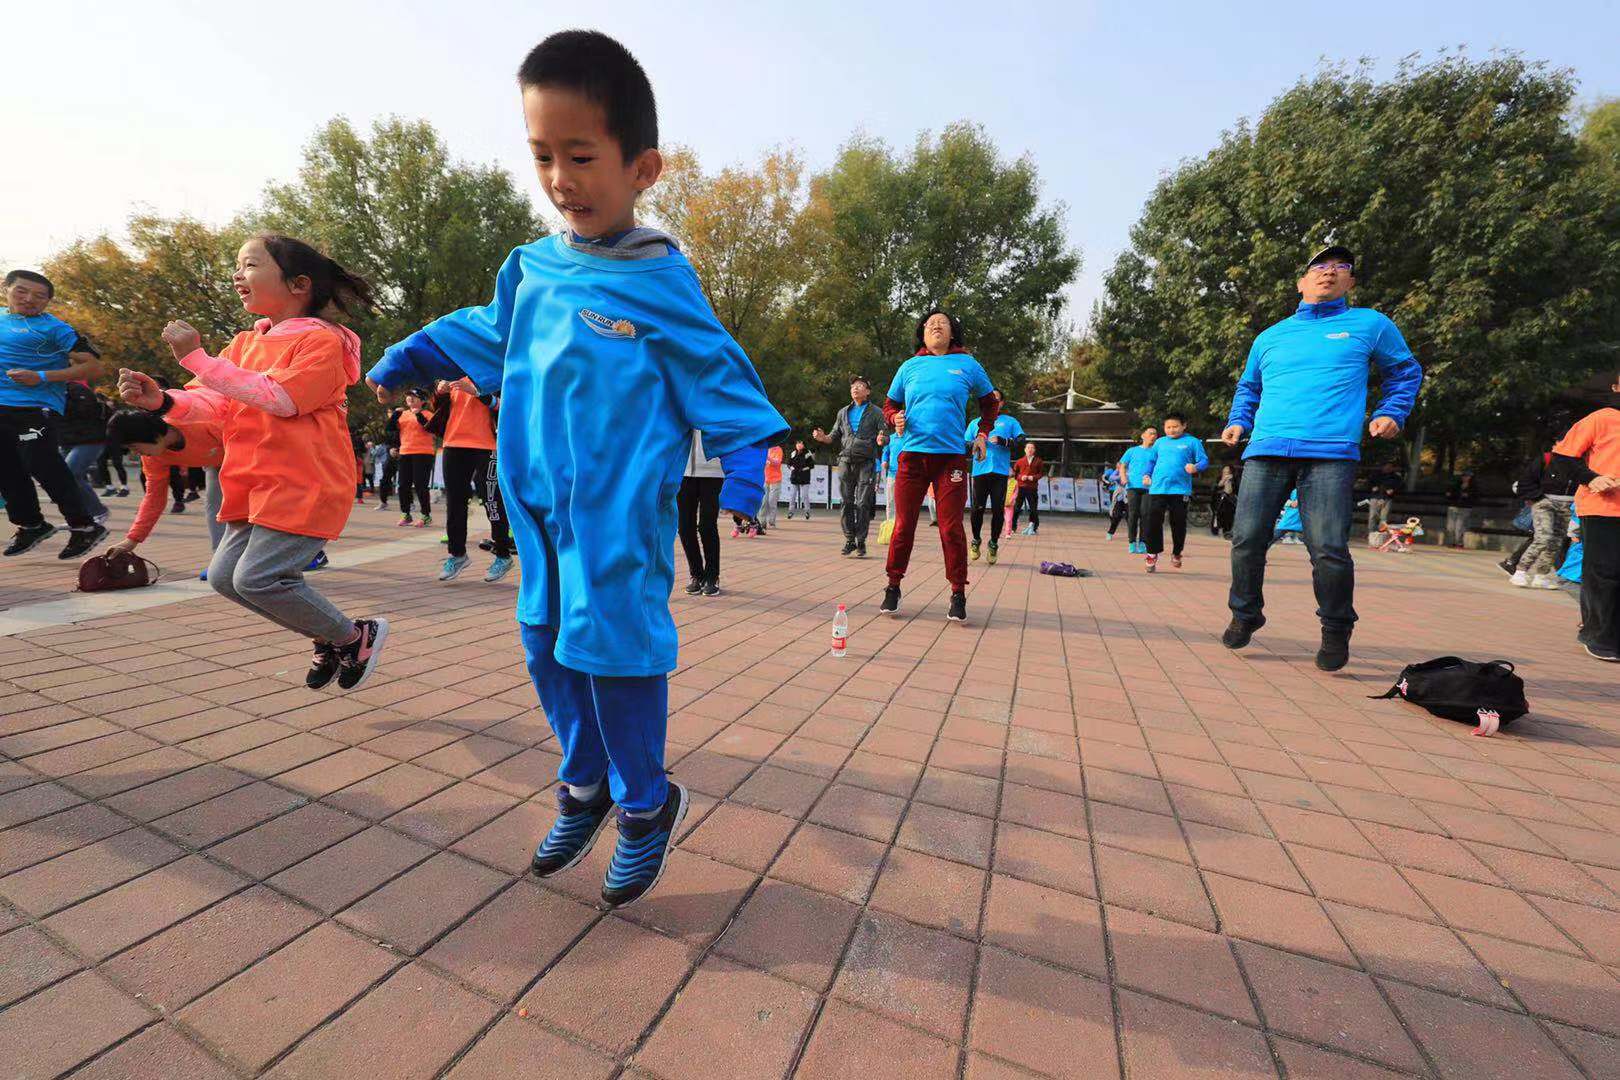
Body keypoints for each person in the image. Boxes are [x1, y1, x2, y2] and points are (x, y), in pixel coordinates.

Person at [365, 31, 788, 908]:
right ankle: (584, 785)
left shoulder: (663, 284)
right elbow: (491, 330)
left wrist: (744, 475)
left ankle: (645, 805)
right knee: (543, 641)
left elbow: (725, 379)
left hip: (621, 514)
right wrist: (415, 352)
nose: (561, 178)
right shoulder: (533, 267)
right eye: (542, 155)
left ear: (643, 167)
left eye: (582, 156)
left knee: (614, 651)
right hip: (534, 507)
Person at [117, 233, 388, 690]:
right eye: (238, 266)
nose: (237, 275)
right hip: (252, 481)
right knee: (225, 578)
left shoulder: (324, 342)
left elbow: (280, 398)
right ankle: (330, 636)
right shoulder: (245, 344)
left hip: (305, 479)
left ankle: (354, 635)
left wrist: (196, 358)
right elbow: (215, 401)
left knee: (258, 577)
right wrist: (163, 401)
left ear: (299, 284)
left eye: (250, 265)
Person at [1220, 243, 1422, 670]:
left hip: (1331, 453)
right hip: (1267, 449)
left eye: (1340, 267)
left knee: (1328, 547)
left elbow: (1404, 372)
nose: (1328, 272)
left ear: (1349, 281)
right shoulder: (1270, 336)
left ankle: (1335, 628)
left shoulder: (1370, 324)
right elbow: (1248, 387)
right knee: (1247, 539)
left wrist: (1391, 412)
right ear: (1301, 282)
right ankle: (1245, 613)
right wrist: (1239, 420)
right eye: (1318, 267)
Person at [880, 308, 997, 622]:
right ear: (922, 333)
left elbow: (990, 402)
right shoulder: (909, 366)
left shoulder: (967, 364)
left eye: (942, 323)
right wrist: (895, 418)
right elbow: (889, 405)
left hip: (951, 459)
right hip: (913, 457)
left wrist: (983, 434)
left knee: (950, 528)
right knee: (904, 526)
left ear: (952, 333)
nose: (935, 325)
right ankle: (893, 586)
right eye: (930, 323)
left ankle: (958, 592)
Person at [1, 269, 110, 558]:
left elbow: (94, 367)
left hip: (35, 408)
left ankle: (85, 525)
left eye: (40, 296)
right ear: (6, 289)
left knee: (44, 465)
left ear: (48, 302)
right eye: (22, 291)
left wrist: (43, 376)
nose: (29, 300)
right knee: (6, 468)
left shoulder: (55, 328)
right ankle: (31, 524)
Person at [1549, 375, 1620, 661]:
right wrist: (1592, 479)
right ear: (1616, 388)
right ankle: (1599, 635)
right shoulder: (1601, 418)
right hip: (1602, 507)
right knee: (1606, 573)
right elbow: (1563, 458)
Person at [103, 409, 226, 565]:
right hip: (216, 464)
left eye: (133, 446)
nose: (134, 452)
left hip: (251, 456)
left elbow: (248, 440)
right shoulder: (153, 457)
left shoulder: (201, 422)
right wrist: (131, 540)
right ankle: (221, 562)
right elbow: (154, 498)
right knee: (215, 506)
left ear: (148, 434)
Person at [430, 377, 511, 581]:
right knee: (455, 502)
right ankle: (457, 555)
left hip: (486, 445)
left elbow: (505, 406)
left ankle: (503, 554)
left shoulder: (492, 368)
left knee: (492, 500)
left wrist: (476, 391)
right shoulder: (452, 370)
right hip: (453, 443)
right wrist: (440, 391)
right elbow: (438, 407)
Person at [812, 376, 884, 557]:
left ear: (867, 391)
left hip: (866, 462)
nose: (856, 388)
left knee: (862, 503)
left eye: (860, 386)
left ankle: (861, 541)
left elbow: (885, 435)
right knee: (846, 501)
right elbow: (833, 435)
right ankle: (849, 539)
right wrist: (823, 438)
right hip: (845, 460)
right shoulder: (843, 412)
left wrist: (882, 439)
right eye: (853, 386)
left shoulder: (876, 412)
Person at [1141, 412, 1207, 572]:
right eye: (1168, 427)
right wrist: (1147, 474)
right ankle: (1152, 553)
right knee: (1153, 521)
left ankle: (1177, 552)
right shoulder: (1160, 443)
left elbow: (1204, 461)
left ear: (1184, 426)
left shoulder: (1192, 442)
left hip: (1180, 489)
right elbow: (1152, 461)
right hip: (1158, 488)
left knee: (1178, 523)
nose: (1171, 430)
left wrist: (1195, 467)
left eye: (1175, 426)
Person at [965, 389, 1022, 564]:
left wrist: (1005, 441)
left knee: (998, 510)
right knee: (977, 509)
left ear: (1002, 403)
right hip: (980, 472)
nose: (992, 403)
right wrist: (975, 442)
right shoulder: (975, 423)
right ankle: (975, 540)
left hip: (999, 473)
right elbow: (964, 444)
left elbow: (1022, 441)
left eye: (996, 400)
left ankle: (994, 543)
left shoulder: (1010, 422)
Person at [1511, 450, 1573, 590]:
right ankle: (1521, 570)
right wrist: (1536, 497)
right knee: (1543, 537)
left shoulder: (1583, 461)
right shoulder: (1547, 459)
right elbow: (1526, 480)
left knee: (1556, 541)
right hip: (1545, 502)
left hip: (1568, 504)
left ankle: (1541, 575)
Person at [59, 382, 112, 523]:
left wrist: (57, 403)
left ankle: (98, 511)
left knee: (71, 474)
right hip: (65, 440)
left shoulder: (75, 389)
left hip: (89, 439)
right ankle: (83, 516)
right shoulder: (44, 391)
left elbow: (86, 410)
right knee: (70, 480)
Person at [679, 432, 725, 596]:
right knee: (684, 527)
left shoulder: (718, 405)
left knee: (707, 525)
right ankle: (696, 575)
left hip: (713, 470)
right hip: (682, 470)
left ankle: (712, 576)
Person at [395, 388, 435, 527]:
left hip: (423, 453)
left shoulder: (428, 414)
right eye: (408, 396)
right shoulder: (402, 414)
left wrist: (419, 415)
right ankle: (406, 514)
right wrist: (395, 415)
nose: (410, 398)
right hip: (405, 452)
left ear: (423, 400)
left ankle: (426, 515)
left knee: (420, 486)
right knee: (403, 485)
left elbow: (430, 428)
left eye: (414, 396)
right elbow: (391, 430)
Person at [1117, 428, 1157, 554]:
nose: (1153, 436)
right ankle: (1132, 542)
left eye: (1155, 434)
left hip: (1149, 488)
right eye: (1151, 433)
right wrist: (1123, 477)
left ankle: (1143, 542)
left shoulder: (1157, 452)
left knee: (1146, 514)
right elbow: (1122, 464)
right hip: (1133, 486)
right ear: (1143, 436)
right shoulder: (1132, 451)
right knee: (1133, 514)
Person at [1366, 461, 1402, 533]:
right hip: (1375, 497)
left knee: (1384, 518)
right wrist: (1372, 488)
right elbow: (1368, 484)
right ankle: (1371, 533)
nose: (1388, 468)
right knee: (1373, 516)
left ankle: (1381, 533)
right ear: (1383, 467)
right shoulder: (1376, 475)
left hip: (1387, 498)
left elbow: (1400, 487)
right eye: (1387, 466)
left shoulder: (1396, 477)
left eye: (1390, 467)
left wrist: (1393, 490)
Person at [1444, 472, 1476, 549]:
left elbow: (1476, 497)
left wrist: (1468, 496)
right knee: (1450, 526)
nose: (1465, 478)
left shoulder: (1473, 486)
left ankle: (1459, 543)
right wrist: (1449, 495)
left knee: (1459, 526)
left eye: (1467, 476)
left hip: (1465, 507)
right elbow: (1449, 494)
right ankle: (1451, 542)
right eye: (1464, 476)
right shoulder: (1456, 485)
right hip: (1453, 506)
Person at [785, 440, 814, 519]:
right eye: (797, 443)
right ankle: (790, 512)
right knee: (792, 495)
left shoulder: (807, 453)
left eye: (800, 443)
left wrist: (804, 469)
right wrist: (791, 468)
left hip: (805, 478)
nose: (799, 445)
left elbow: (811, 465)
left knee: (805, 496)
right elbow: (788, 463)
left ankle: (807, 511)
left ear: (803, 445)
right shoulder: (793, 453)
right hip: (795, 477)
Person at [758, 443, 783, 527]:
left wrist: (768, 458)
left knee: (771, 501)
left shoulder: (778, 449)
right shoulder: (765, 449)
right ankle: (762, 522)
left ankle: (772, 521)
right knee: (763, 501)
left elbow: (777, 462)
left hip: (775, 480)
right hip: (765, 479)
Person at [1211, 464, 1237, 538]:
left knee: (1228, 514)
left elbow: (1231, 491)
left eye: (1227, 472)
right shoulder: (1219, 478)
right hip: (1218, 501)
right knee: (1218, 512)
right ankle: (1216, 530)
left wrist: (1229, 482)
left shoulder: (1234, 480)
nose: (1225, 473)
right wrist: (1222, 481)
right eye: (1224, 471)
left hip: (1229, 502)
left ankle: (1226, 531)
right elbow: (1215, 488)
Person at [1104, 466, 1129, 539]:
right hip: (1119, 498)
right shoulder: (1118, 470)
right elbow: (1111, 478)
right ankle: (1110, 533)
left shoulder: (1133, 469)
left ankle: (1132, 535)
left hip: (1128, 497)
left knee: (1130, 517)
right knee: (1117, 516)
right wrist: (1121, 476)